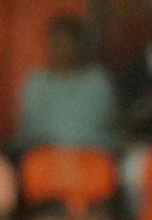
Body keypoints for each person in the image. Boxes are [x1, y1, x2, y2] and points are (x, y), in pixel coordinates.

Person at [17, 14, 119, 152]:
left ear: (79, 45)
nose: (61, 49)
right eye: (56, 42)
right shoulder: (37, 81)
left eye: (67, 42)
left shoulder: (97, 81)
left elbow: (101, 123)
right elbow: (31, 126)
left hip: (91, 156)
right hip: (46, 156)